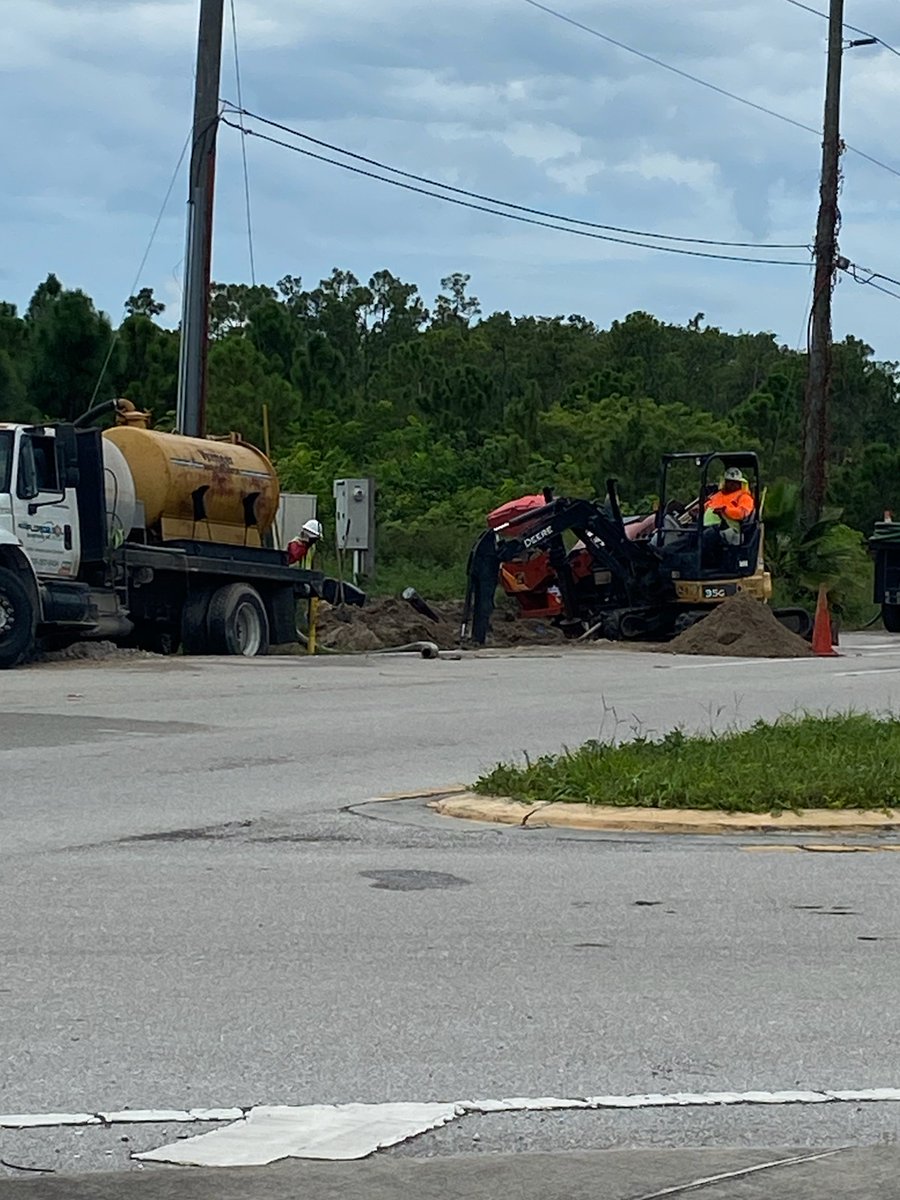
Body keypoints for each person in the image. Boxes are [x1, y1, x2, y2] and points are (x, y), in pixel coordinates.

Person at [702, 467, 755, 559]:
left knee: (706, 536)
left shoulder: (743, 497)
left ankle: (708, 563)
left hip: (731, 529)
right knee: (692, 536)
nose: (732, 484)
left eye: (735, 482)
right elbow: (707, 506)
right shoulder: (717, 495)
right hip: (710, 526)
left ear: (740, 483)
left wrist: (725, 510)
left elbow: (743, 513)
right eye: (729, 481)